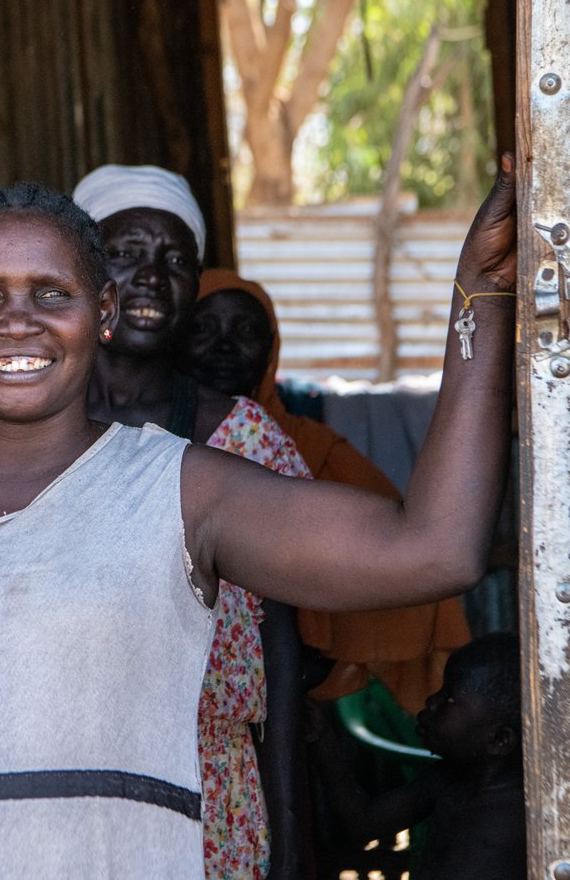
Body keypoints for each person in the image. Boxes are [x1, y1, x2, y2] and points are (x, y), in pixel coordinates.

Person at [0, 162, 516, 878]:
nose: (19, 322)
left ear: (102, 312)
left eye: (52, 293)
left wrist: (477, 295)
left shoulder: (182, 489)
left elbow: (434, 548)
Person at [74, 165, 309, 879]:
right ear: (80, 269)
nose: (151, 276)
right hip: (55, 781)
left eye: (175, 259)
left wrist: (292, 833)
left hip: (209, 789)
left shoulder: (246, 439)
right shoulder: (12, 430)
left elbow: (281, 645)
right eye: (126, 253)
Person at [189, 269, 472, 714]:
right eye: (202, 328)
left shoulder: (308, 447)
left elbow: (403, 547)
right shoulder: (149, 440)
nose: (224, 344)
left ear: (271, 348)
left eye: (245, 330)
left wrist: (321, 652)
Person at [303, 633, 525, 879]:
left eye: (449, 698)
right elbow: (363, 823)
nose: (431, 701)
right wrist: (321, 738)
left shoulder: (517, 816)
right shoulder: (447, 779)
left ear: (499, 740)